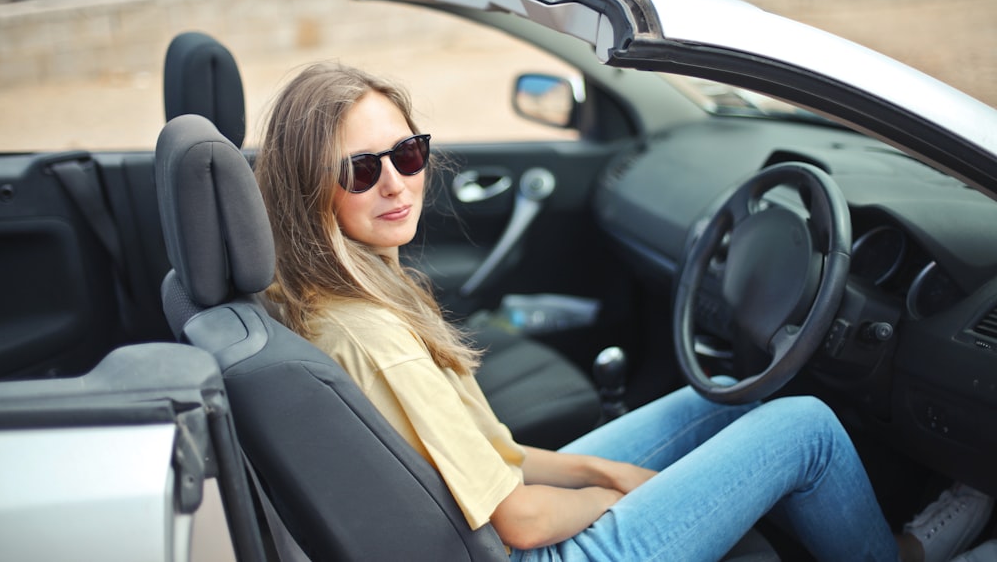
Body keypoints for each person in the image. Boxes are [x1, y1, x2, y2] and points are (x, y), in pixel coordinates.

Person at [254, 61, 993, 562]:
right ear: (306, 189)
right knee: (803, 426)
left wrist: (597, 467)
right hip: (548, 552)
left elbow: (496, 455)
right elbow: (520, 517)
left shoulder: (340, 298)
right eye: (361, 169)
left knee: (743, 398)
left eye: (407, 154)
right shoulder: (375, 335)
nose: (395, 184)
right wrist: (630, 487)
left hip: (504, 529)